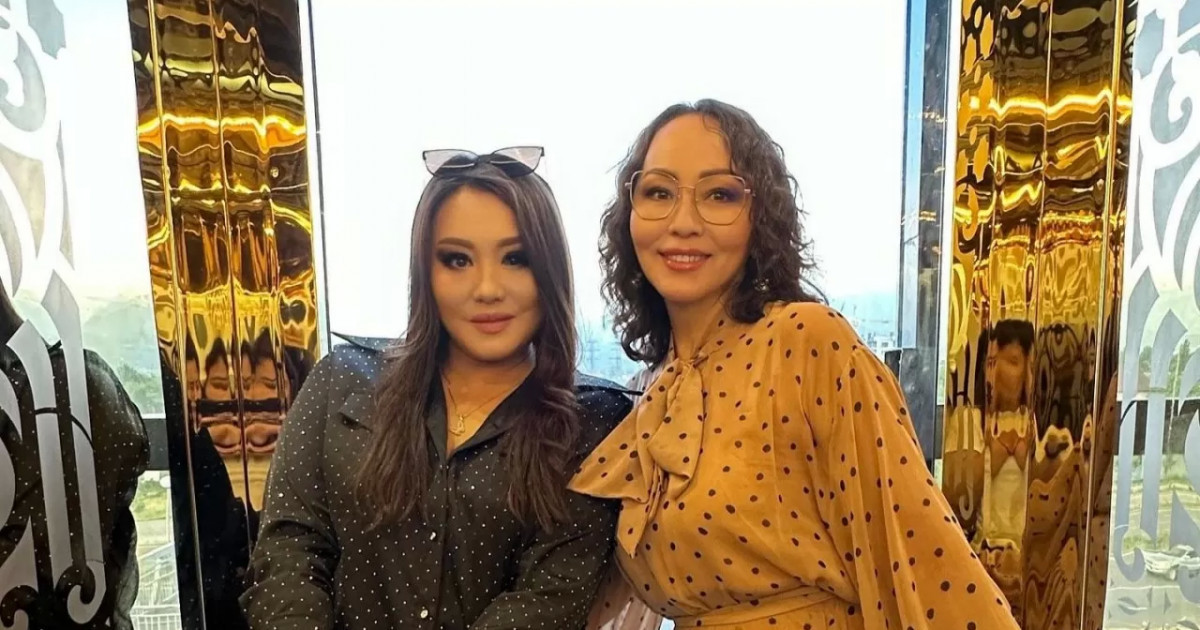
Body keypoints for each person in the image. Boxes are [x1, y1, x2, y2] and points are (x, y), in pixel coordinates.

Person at [573, 100, 1020, 629]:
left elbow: (925, 558)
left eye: (720, 194)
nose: (683, 222)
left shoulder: (807, 344)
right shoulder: (654, 391)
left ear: (760, 216)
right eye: (658, 192)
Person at [242, 147, 634, 629]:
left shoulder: (593, 421)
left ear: (549, 269)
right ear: (425, 272)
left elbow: (548, 601)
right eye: (457, 260)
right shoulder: (342, 383)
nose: (487, 288)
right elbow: (288, 553)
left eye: (516, 258)